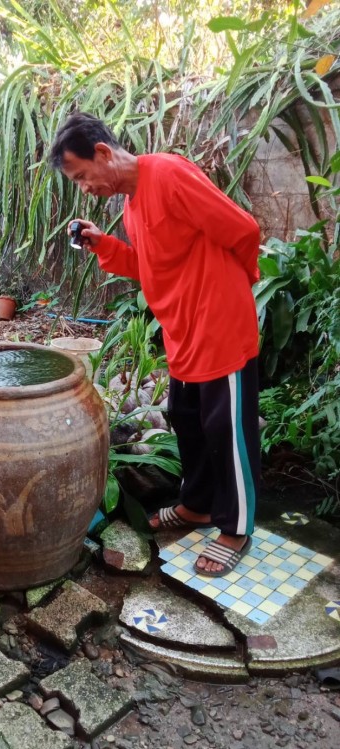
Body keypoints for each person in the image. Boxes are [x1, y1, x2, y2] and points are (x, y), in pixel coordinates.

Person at [49, 112, 261, 577]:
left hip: (219, 327)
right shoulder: (131, 206)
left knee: (227, 430)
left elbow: (243, 230)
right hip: (182, 332)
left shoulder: (167, 173)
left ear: (102, 153)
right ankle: (198, 506)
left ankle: (236, 527)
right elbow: (150, 268)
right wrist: (104, 244)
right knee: (187, 420)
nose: (84, 188)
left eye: (81, 176)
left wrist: (236, 283)